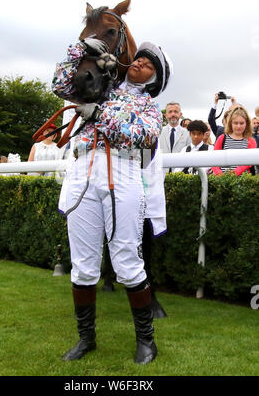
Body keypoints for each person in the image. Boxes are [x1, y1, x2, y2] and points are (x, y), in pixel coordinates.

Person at [52, 39, 171, 365]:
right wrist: (78, 48)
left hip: (123, 171)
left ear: (154, 79)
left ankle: (147, 341)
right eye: (139, 59)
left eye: (148, 64)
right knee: (83, 264)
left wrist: (99, 114)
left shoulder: (149, 108)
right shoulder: (102, 84)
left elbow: (142, 137)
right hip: (82, 170)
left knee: (127, 261)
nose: (139, 64)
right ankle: (86, 338)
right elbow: (60, 85)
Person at [210, 105, 257, 175]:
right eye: (235, 123)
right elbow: (214, 160)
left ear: (246, 124)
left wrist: (234, 173)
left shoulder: (251, 141)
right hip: (222, 180)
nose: (238, 126)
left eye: (241, 123)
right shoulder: (222, 138)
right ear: (230, 123)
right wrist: (220, 175)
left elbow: (249, 162)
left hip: (243, 181)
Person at [159, 102, 191, 173]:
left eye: (176, 112)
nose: (173, 114)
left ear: (180, 115)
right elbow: (149, 153)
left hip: (181, 175)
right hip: (161, 173)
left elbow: (190, 154)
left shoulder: (188, 133)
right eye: (170, 112)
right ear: (166, 115)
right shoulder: (158, 132)